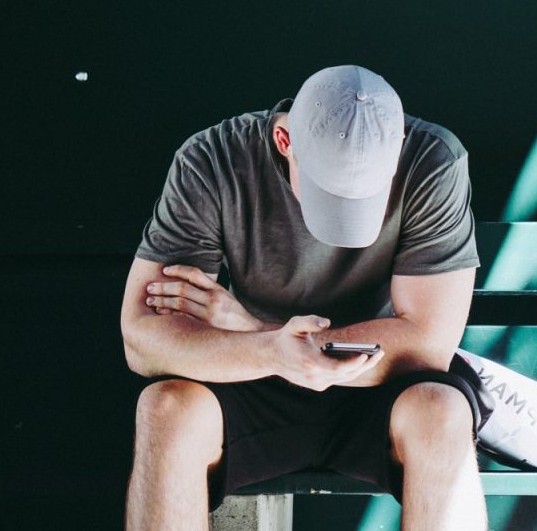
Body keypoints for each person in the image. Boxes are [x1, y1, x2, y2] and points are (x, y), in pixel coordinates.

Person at [120, 65, 491, 530]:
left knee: (443, 413)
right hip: (248, 375)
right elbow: (142, 341)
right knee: (165, 410)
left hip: (377, 382)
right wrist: (269, 352)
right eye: (328, 194)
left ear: (396, 146)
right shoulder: (213, 158)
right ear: (284, 140)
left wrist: (262, 333)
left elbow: (427, 344)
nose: (345, 217)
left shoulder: (434, 160)